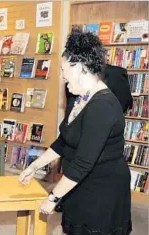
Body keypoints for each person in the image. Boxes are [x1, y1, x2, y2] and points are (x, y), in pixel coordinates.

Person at [19, 30, 131, 235]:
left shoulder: (104, 106)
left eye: (63, 69)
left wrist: (53, 197)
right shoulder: (78, 97)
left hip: (102, 189)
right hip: (78, 184)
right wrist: (34, 165)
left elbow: (83, 162)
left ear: (79, 67)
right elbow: (64, 142)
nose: (61, 75)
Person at [55, 63, 133, 213]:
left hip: (102, 162)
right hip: (76, 145)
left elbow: (125, 102)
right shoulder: (75, 80)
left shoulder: (116, 75)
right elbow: (71, 105)